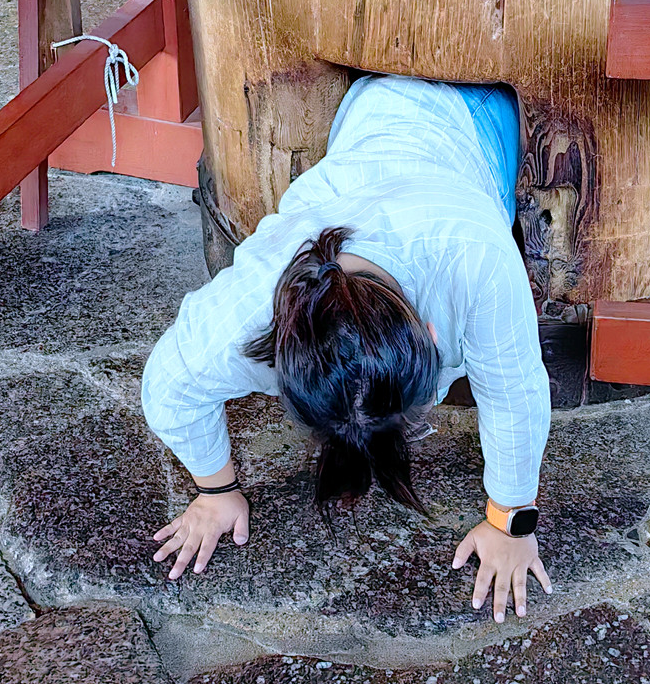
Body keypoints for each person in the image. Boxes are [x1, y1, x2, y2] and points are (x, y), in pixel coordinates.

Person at [141, 73, 553, 624]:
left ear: (432, 334)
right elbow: (167, 386)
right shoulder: (243, 316)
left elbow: (514, 390)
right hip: (370, 105)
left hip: (475, 115)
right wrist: (217, 489)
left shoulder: (475, 255)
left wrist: (511, 522)